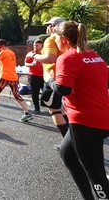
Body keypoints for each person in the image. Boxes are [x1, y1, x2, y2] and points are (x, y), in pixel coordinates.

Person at [47, 21, 109, 199]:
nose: (55, 41)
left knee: (96, 174)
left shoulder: (67, 58)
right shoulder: (94, 55)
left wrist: (49, 82)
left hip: (85, 122)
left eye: (56, 37)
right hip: (99, 117)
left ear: (64, 39)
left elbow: (64, 88)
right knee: (67, 155)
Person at [32, 17, 69, 138]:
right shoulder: (69, 39)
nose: (47, 28)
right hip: (65, 76)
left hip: (52, 78)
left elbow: (50, 58)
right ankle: (72, 139)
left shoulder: (51, 39)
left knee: (54, 109)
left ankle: (69, 141)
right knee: (62, 109)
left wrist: (34, 56)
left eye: (48, 25)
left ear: (53, 26)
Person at [0, 39, 33, 122]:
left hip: (4, 76)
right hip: (13, 77)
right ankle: (27, 113)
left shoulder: (3, 52)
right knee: (17, 95)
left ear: (2, 46)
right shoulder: (11, 52)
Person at [24, 39, 44, 113]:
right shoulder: (30, 54)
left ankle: (43, 102)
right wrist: (31, 64)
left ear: (42, 46)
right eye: (34, 45)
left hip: (44, 76)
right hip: (33, 75)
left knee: (45, 91)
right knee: (35, 92)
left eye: (37, 45)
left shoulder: (44, 54)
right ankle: (36, 107)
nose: (35, 47)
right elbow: (26, 64)